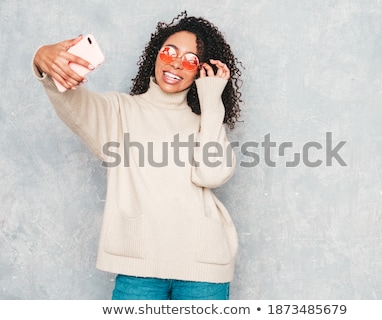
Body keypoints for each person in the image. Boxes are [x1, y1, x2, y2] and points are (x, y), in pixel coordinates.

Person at [32, 11, 243, 300]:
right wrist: (43, 59)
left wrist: (211, 102)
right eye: (169, 52)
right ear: (156, 55)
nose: (176, 64)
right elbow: (70, 101)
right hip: (139, 272)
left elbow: (213, 173)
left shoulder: (205, 120)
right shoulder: (119, 112)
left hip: (203, 269)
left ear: (200, 71)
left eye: (190, 60)